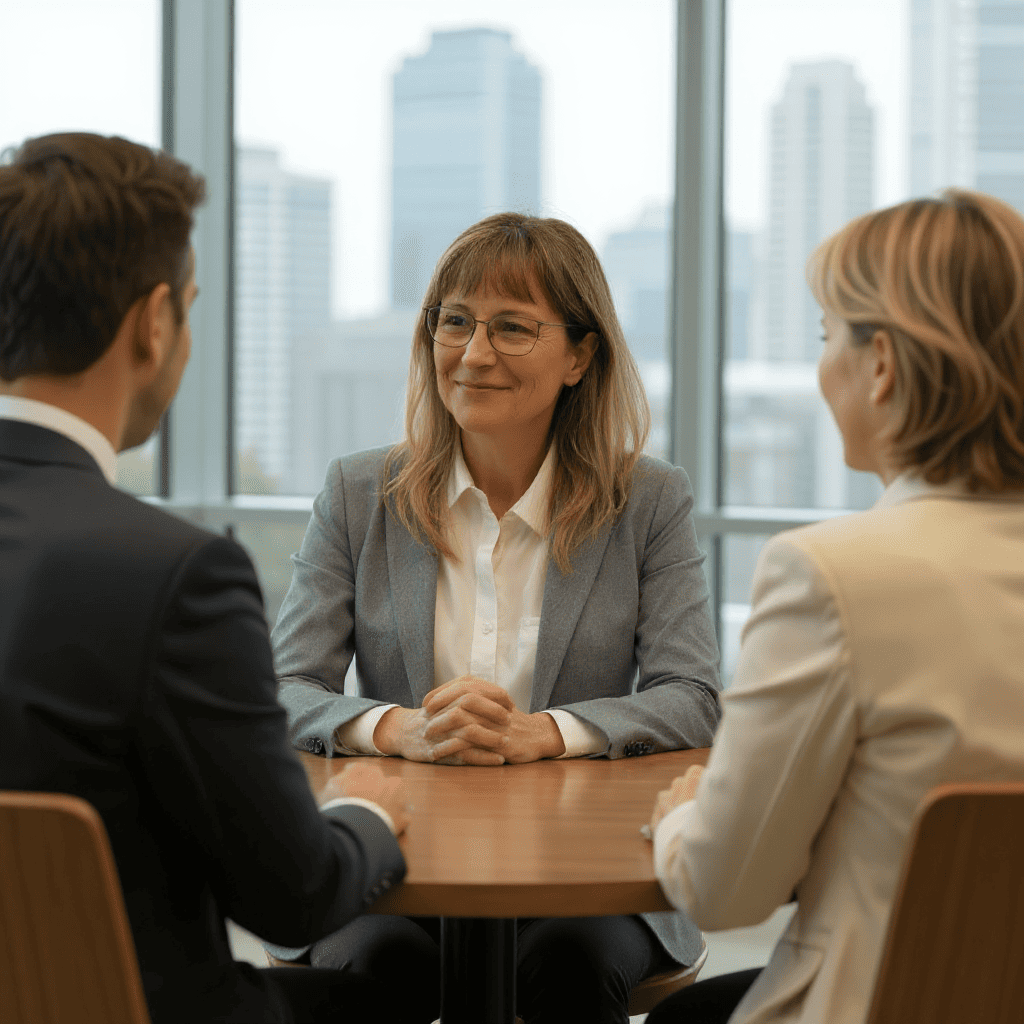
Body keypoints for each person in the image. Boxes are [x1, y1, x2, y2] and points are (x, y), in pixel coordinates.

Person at [268, 212, 722, 1023]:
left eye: (513, 328)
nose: (474, 354)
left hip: (588, 872)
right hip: (390, 861)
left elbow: (693, 695)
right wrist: (395, 728)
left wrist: (543, 732)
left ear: (581, 355)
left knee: (567, 966)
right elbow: (284, 687)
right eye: (455, 322)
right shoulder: (357, 492)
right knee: (378, 969)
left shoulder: (648, 502)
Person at [0, 132, 412, 1024]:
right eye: (189, 307)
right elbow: (293, 894)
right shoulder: (172, 575)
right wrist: (369, 816)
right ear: (155, 324)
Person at [646, 188, 1024, 1024]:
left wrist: (682, 820)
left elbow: (721, 890)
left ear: (881, 364)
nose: (824, 369)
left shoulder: (833, 577)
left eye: (827, 339)